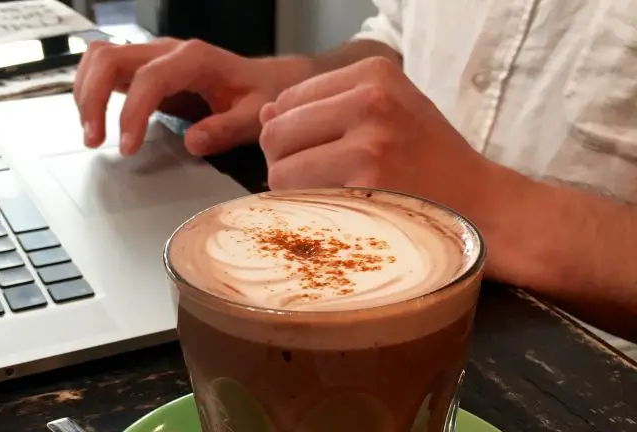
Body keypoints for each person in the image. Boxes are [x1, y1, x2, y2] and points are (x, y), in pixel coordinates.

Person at [74, 1, 637, 357]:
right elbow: (393, 38)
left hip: (585, 383)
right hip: (367, 297)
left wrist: (493, 205)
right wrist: (283, 86)